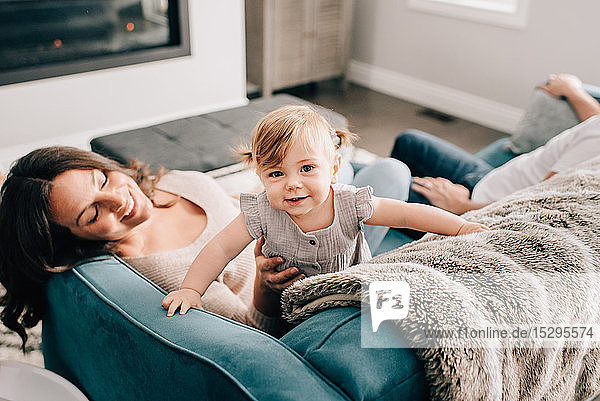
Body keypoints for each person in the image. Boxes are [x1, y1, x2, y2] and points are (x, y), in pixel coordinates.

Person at [0, 139, 419, 350]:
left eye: (104, 180)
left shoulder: (170, 183)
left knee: (367, 165)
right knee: (392, 175)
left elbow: (236, 209)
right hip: (313, 268)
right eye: (93, 214)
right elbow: (260, 333)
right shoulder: (154, 270)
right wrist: (265, 285)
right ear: (73, 239)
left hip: (296, 216)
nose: (120, 200)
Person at [162, 105, 489, 316]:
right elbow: (220, 248)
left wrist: (461, 227)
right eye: (276, 174)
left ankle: (346, 171)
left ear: (333, 168)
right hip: (290, 303)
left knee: (387, 175)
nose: (291, 184)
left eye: (306, 168)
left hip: (349, 286)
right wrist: (192, 288)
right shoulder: (261, 211)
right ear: (259, 177)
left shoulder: (348, 202)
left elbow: (405, 214)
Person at [391, 73, 600, 215]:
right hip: (490, 179)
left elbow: (540, 202)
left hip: (483, 208)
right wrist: (574, 91)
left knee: (374, 187)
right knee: (409, 141)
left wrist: (464, 206)